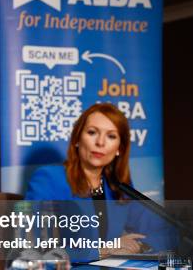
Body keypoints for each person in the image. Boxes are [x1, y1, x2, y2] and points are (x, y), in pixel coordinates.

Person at [25, 103, 174, 259]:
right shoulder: (49, 179)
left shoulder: (117, 186)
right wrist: (104, 250)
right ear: (77, 139)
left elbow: (167, 232)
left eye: (111, 136)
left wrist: (141, 246)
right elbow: (36, 246)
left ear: (119, 149)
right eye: (92, 132)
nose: (101, 142)